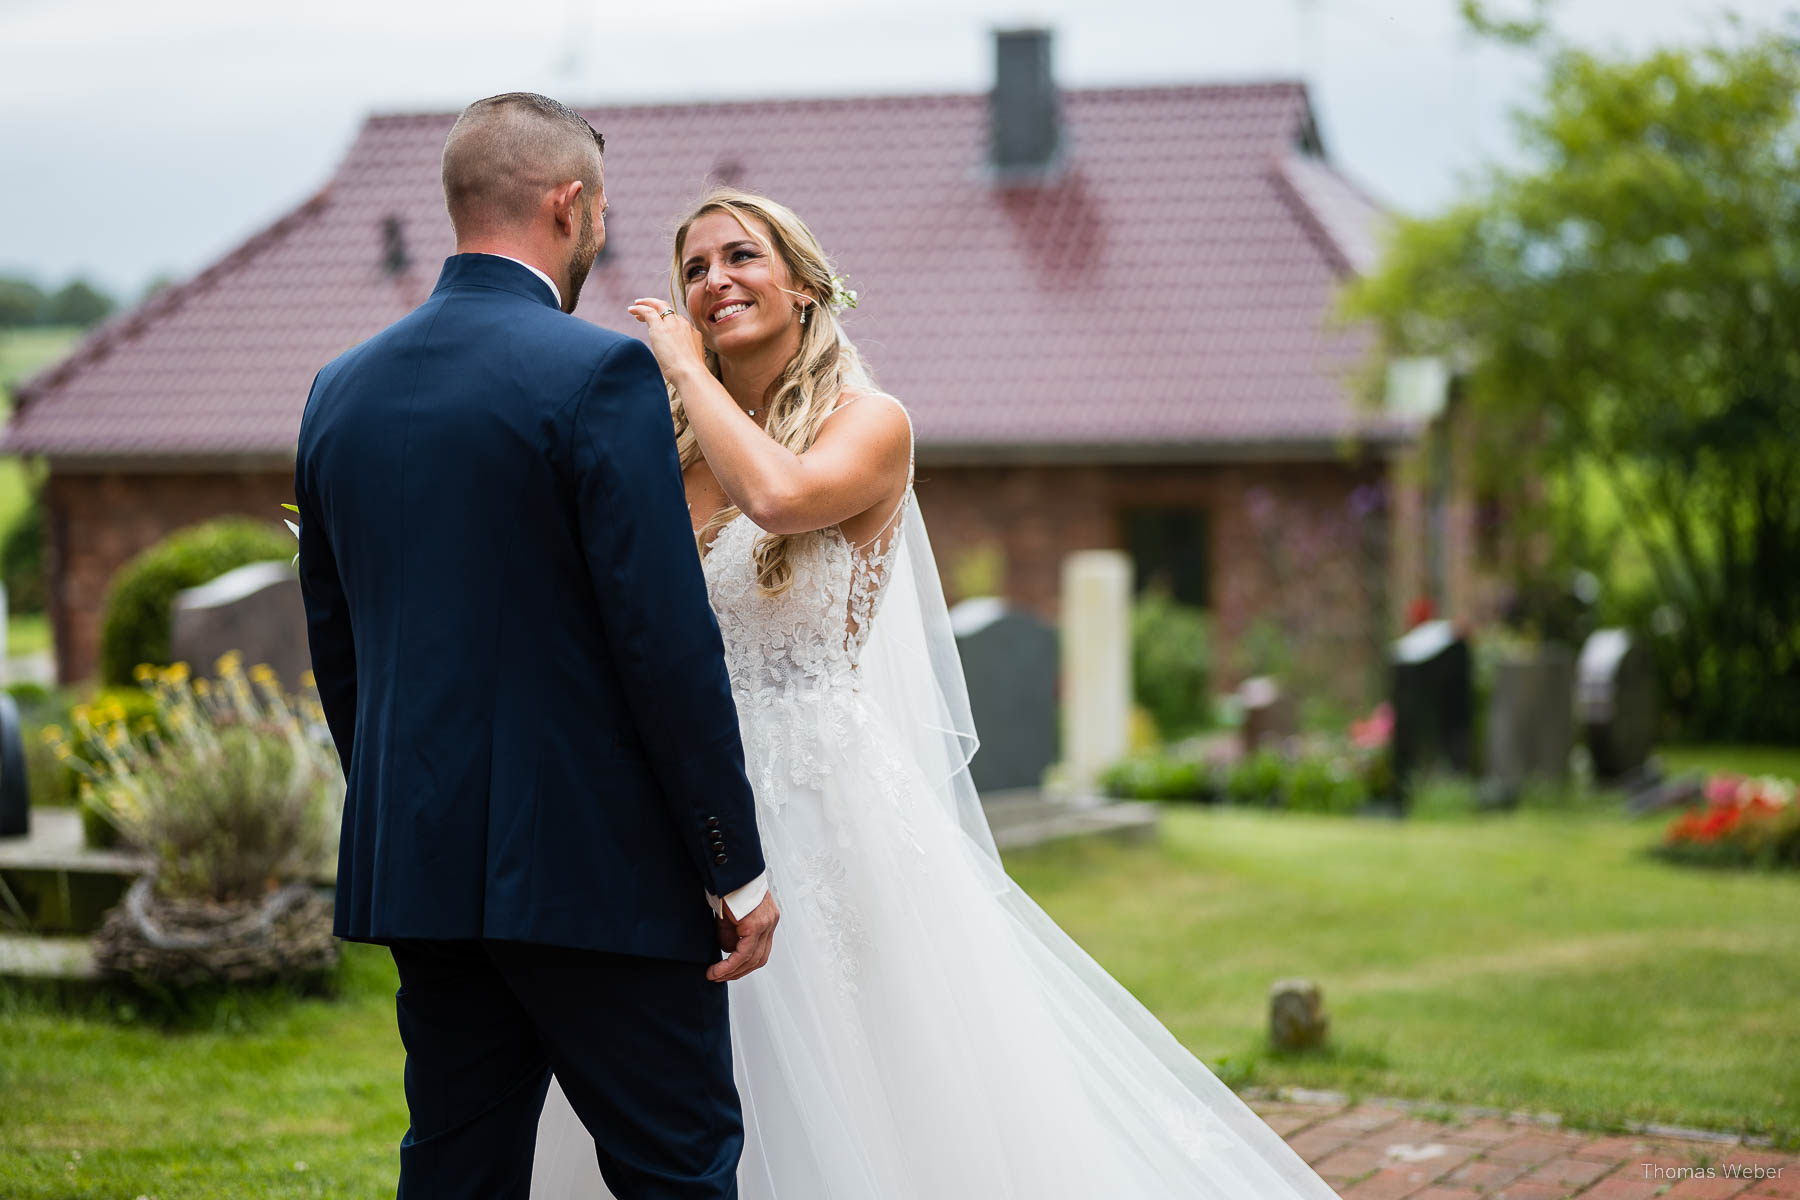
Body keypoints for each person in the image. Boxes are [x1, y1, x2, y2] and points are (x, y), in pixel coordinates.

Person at [529, 187, 1345, 1199]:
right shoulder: (673, 448)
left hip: (819, 801)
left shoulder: (871, 425)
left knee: (854, 1073)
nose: (714, 282)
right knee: (678, 1071)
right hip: (681, 799)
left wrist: (685, 370)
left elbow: (779, 499)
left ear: (805, 282)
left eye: (740, 256)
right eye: (694, 269)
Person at [293, 93, 779, 1200]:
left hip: (423, 869)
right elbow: (663, 643)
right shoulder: (596, 375)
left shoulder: (339, 391)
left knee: (457, 1166)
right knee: (679, 1166)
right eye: (599, 211)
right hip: (598, 876)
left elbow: (340, 645)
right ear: (568, 204)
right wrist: (730, 860)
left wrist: (406, 803)